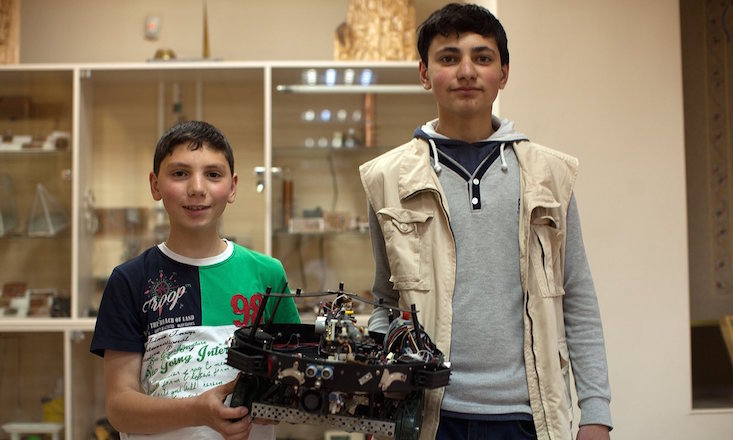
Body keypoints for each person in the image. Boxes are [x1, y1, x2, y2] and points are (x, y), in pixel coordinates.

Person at [359, 3, 612, 440]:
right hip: (429, 415)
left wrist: (595, 411)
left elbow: (578, 298)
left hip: (527, 415)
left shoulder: (549, 175)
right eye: (449, 57)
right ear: (424, 74)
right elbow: (384, 299)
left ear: (503, 73)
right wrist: (377, 391)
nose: (466, 71)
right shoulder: (387, 178)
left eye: (482, 57)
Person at [90, 120, 300, 440]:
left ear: (232, 187)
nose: (197, 188)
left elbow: (295, 382)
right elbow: (120, 407)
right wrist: (197, 410)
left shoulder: (268, 274)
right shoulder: (129, 280)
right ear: (155, 185)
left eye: (213, 174)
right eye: (179, 173)